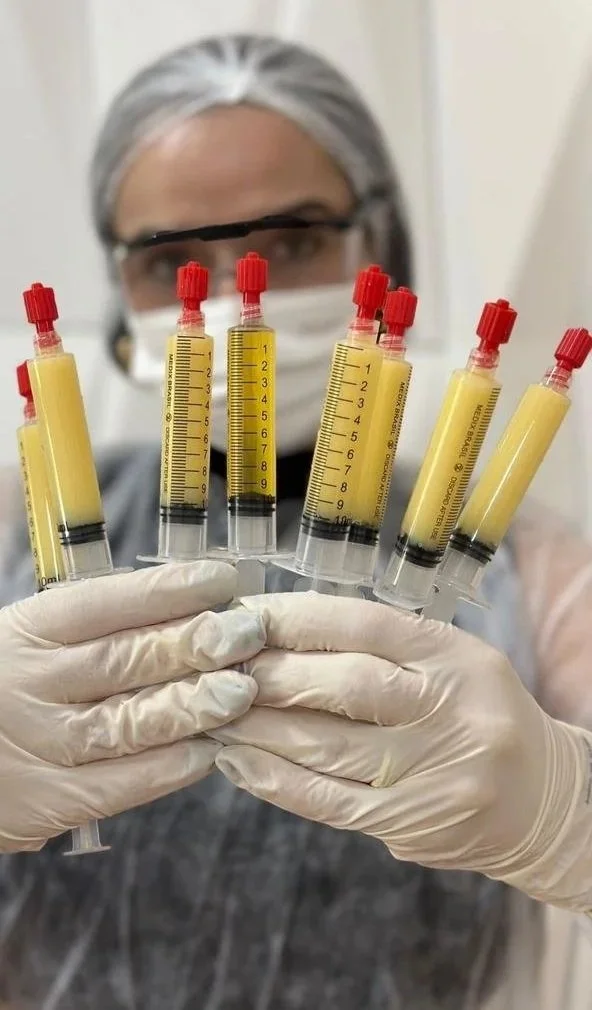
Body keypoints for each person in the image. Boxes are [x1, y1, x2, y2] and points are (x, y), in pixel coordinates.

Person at [0, 32, 590, 1010]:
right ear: (121, 294)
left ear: (379, 251)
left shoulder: (540, 576)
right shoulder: (12, 534)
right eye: (170, 258)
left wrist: (569, 815)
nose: (242, 290)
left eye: (293, 242)